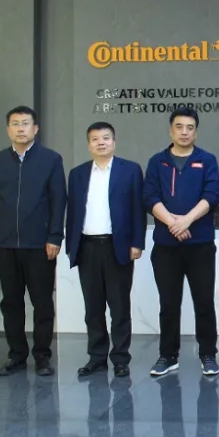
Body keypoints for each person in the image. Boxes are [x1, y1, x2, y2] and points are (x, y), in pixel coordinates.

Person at [0, 106, 66, 377]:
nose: (21, 128)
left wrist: (54, 236)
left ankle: (42, 356)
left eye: (26, 123)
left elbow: (58, 200)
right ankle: (16, 355)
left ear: (35, 129)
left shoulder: (51, 159)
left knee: (42, 303)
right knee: (11, 302)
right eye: (15, 124)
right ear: (8, 129)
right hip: (5, 245)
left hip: (40, 245)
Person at [143, 107, 219, 378]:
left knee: (204, 302)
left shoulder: (207, 160)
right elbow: (150, 197)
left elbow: (212, 194)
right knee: (168, 303)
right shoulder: (157, 162)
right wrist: (173, 224)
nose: (184, 132)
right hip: (166, 247)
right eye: (179, 127)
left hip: (200, 245)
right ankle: (168, 356)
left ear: (196, 132)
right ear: (171, 130)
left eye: (190, 128)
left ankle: (208, 354)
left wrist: (186, 221)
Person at [64, 122, 144, 379]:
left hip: (117, 247)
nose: (101, 143)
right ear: (89, 144)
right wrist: (71, 246)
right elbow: (73, 212)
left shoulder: (130, 170)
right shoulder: (77, 174)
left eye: (106, 138)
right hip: (87, 247)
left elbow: (138, 209)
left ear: (114, 142)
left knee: (119, 307)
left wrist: (137, 243)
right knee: (93, 308)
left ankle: (120, 359)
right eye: (95, 139)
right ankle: (97, 358)